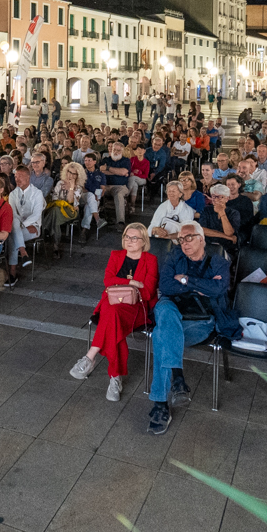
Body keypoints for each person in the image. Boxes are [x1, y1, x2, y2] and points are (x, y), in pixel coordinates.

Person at [145, 222, 236, 435]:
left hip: (200, 321)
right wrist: (200, 286)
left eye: (190, 238)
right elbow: (166, 286)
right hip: (171, 310)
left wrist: (186, 280)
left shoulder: (218, 262)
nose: (184, 243)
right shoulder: (174, 257)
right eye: (181, 239)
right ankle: (173, 385)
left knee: (161, 336)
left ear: (202, 239)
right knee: (165, 311)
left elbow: (218, 289)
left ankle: (163, 400)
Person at [68, 222, 159, 401]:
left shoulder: (151, 260)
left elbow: (148, 292)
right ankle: (114, 378)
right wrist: (132, 283)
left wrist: (121, 283)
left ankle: (91, 358)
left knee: (111, 316)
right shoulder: (116, 255)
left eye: (134, 238)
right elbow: (107, 281)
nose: (129, 240)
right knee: (113, 314)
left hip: (136, 308)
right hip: (112, 305)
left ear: (143, 241)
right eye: (127, 237)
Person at [148, 180, 197, 253]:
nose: (171, 193)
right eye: (169, 191)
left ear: (180, 194)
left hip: (179, 245)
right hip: (160, 243)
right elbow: (152, 226)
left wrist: (169, 237)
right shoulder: (162, 206)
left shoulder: (187, 210)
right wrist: (156, 230)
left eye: (173, 191)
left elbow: (187, 233)